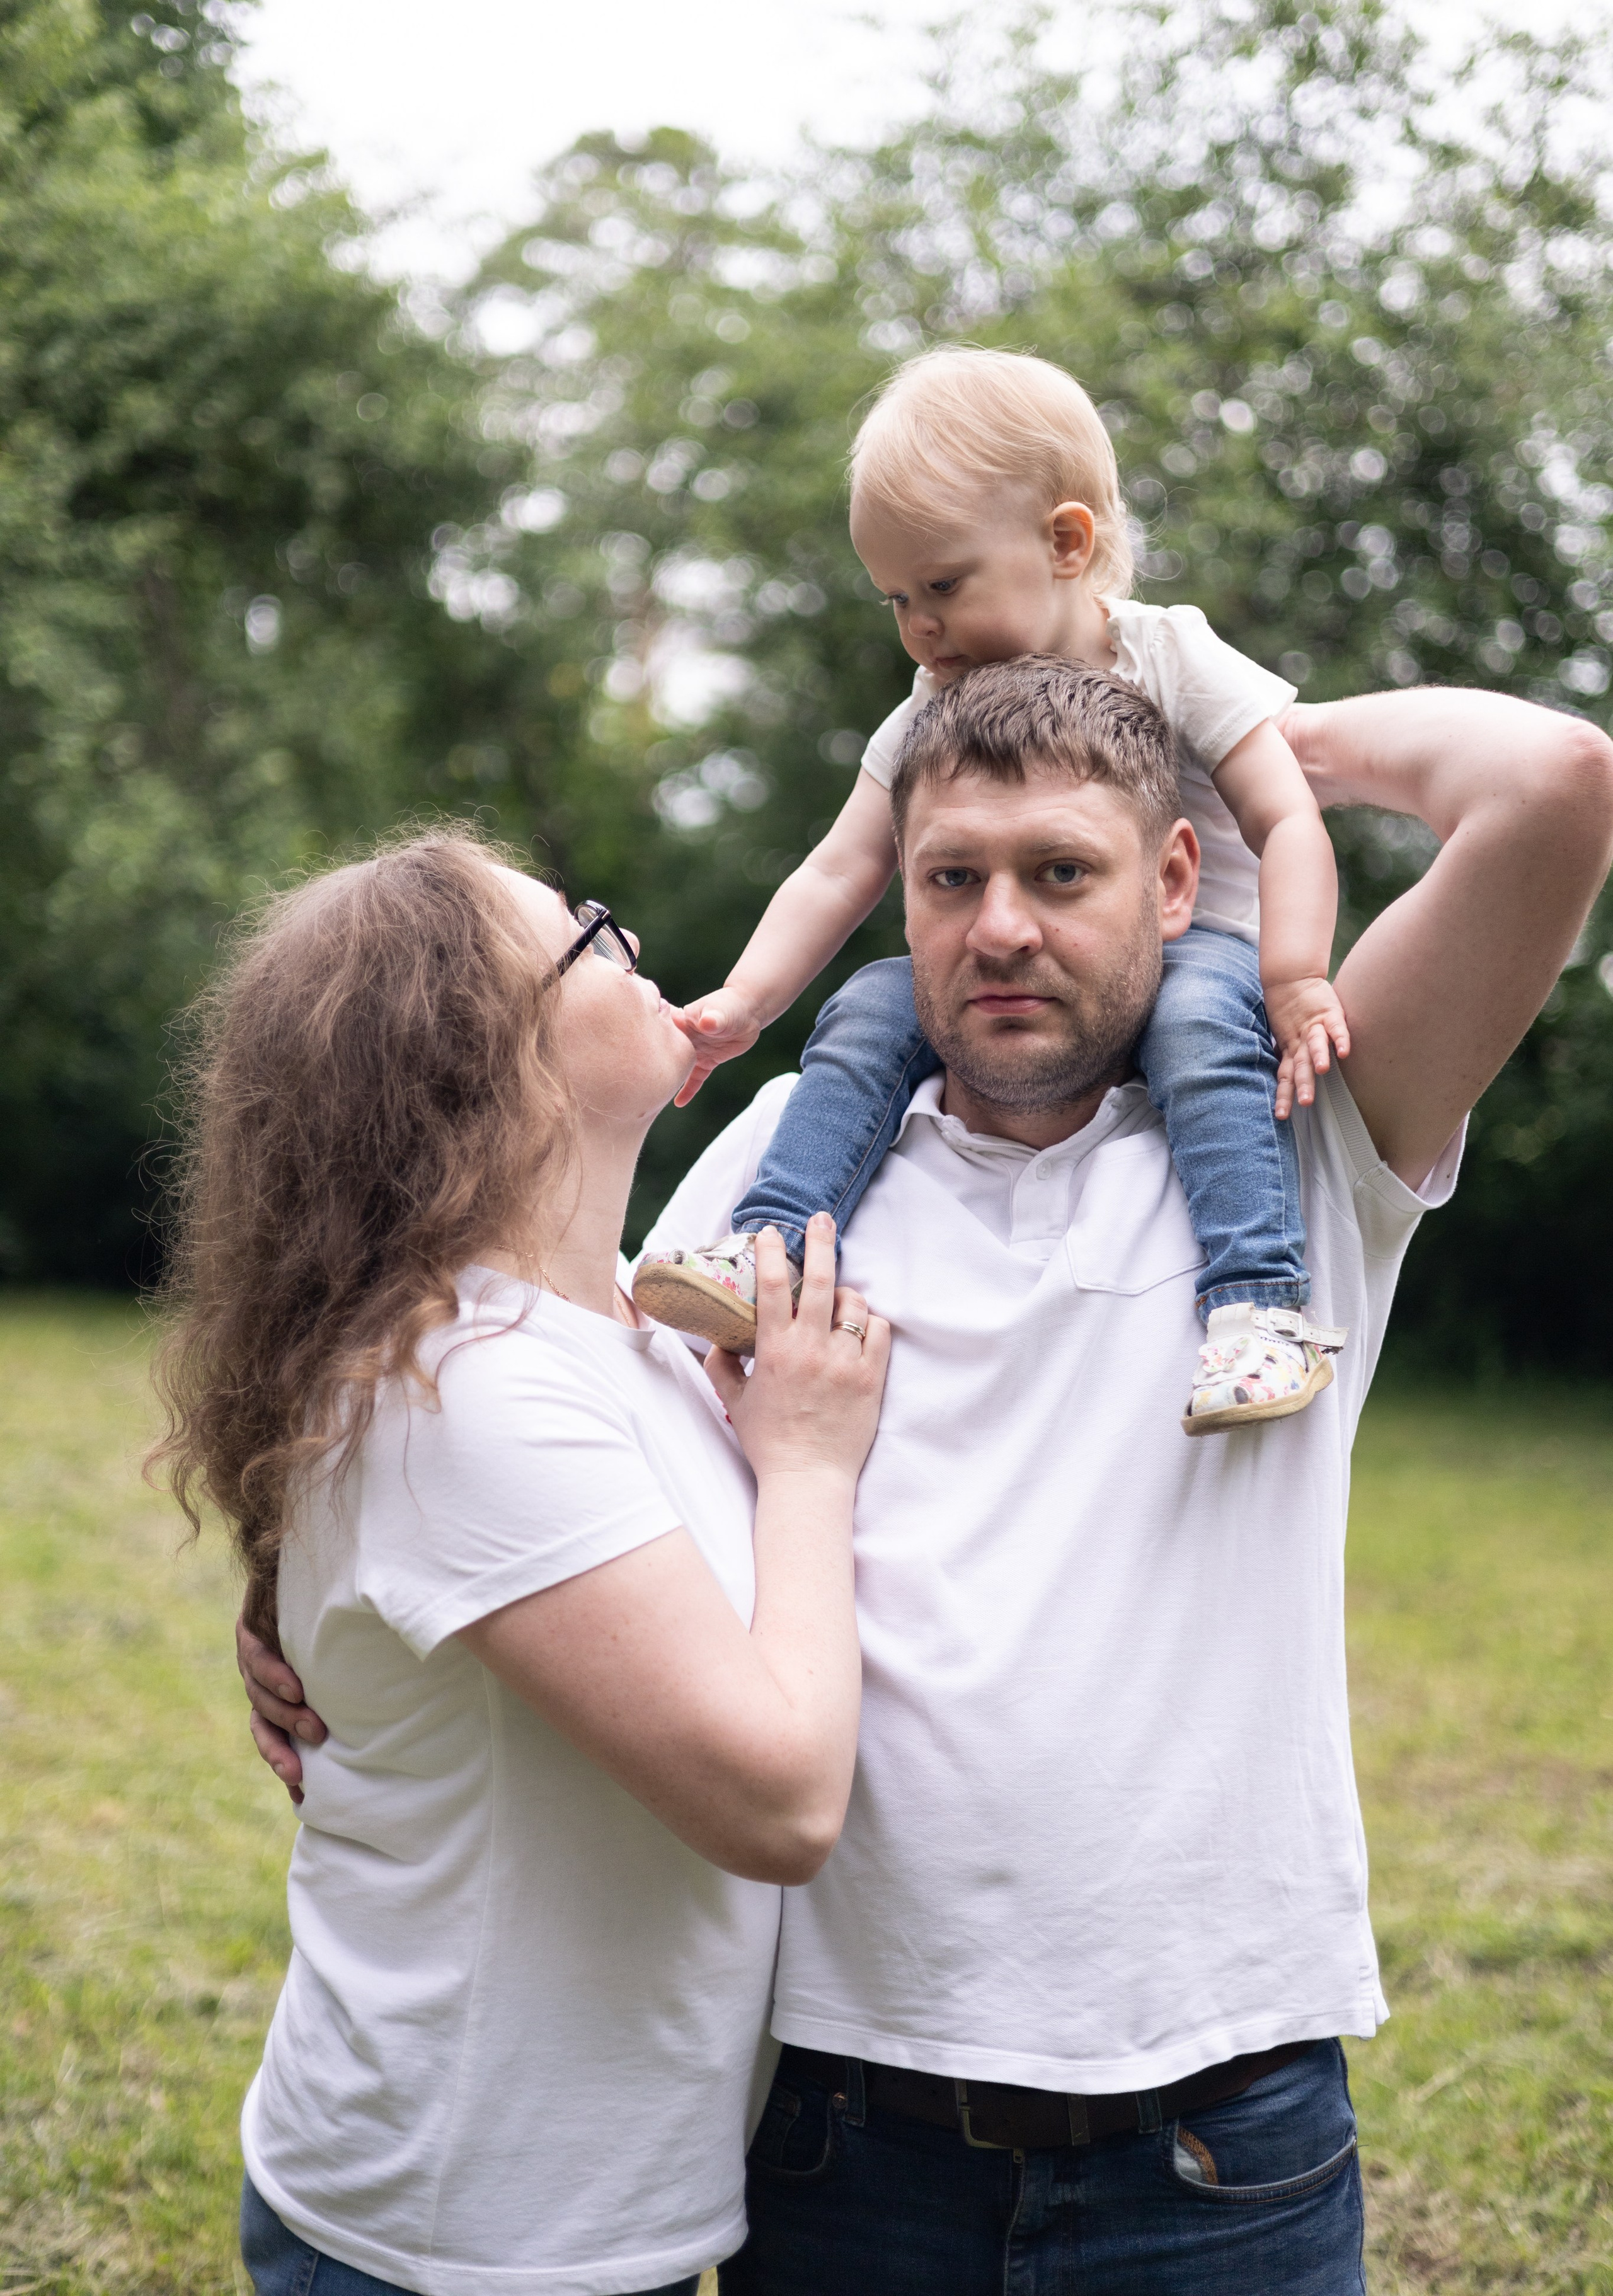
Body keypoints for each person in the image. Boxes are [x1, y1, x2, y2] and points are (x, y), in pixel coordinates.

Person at [244, 673, 1613, 2293]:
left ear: (1176, 878)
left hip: (1216, 2138)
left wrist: (1208, 719)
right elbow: (536, 1417)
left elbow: (1550, 783)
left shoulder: (1299, 1140)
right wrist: (303, 1596)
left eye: (1063, 870)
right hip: (836, 2136)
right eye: (951, 877)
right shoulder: (787, 1158)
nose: (1001, 928)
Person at [149, 830, 889, 2296]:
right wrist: (808, 1466)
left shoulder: (611, 1322)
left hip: (562, 2215)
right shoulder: (463, 1390)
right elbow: (780, 1802)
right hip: (459, 2236)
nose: (631, 943)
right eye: (586, 933)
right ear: (481, 1054)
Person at [633, 346, 1350, 1432]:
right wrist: (746, 1000)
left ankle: (1259, 1307)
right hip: (1029, 978)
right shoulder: (932, 706)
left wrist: (1293, 977)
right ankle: (768, 1245)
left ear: (1066, 544)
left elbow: (1287, 815)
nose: (918, 628)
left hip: (1189, 947)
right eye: (896, 598)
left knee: (1202, 1021)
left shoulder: (1168, 654)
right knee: (870, 1006)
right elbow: (841, 864)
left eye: (943, 587)